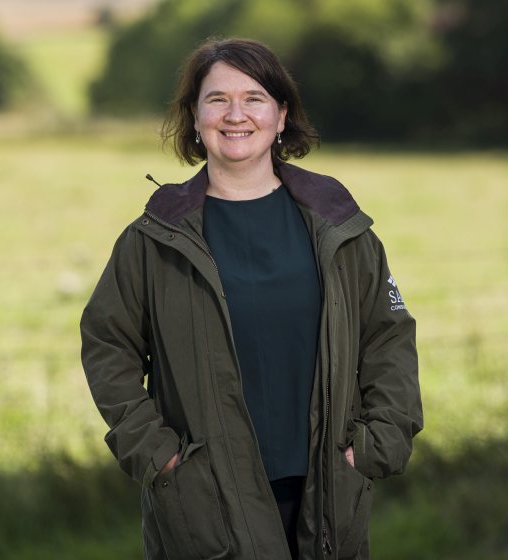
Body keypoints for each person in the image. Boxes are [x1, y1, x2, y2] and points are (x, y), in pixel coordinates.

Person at [80, 37, 422, 560]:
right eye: (217, 99)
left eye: (254, 98)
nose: (235, 114)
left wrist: (379, 441)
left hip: (327, 487)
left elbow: (389, 337)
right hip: (204, 499)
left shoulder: (341, 230)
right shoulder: (154, 240)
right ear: (195, 118)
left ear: (282, 116)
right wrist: (157, 454)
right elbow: (108, 345)